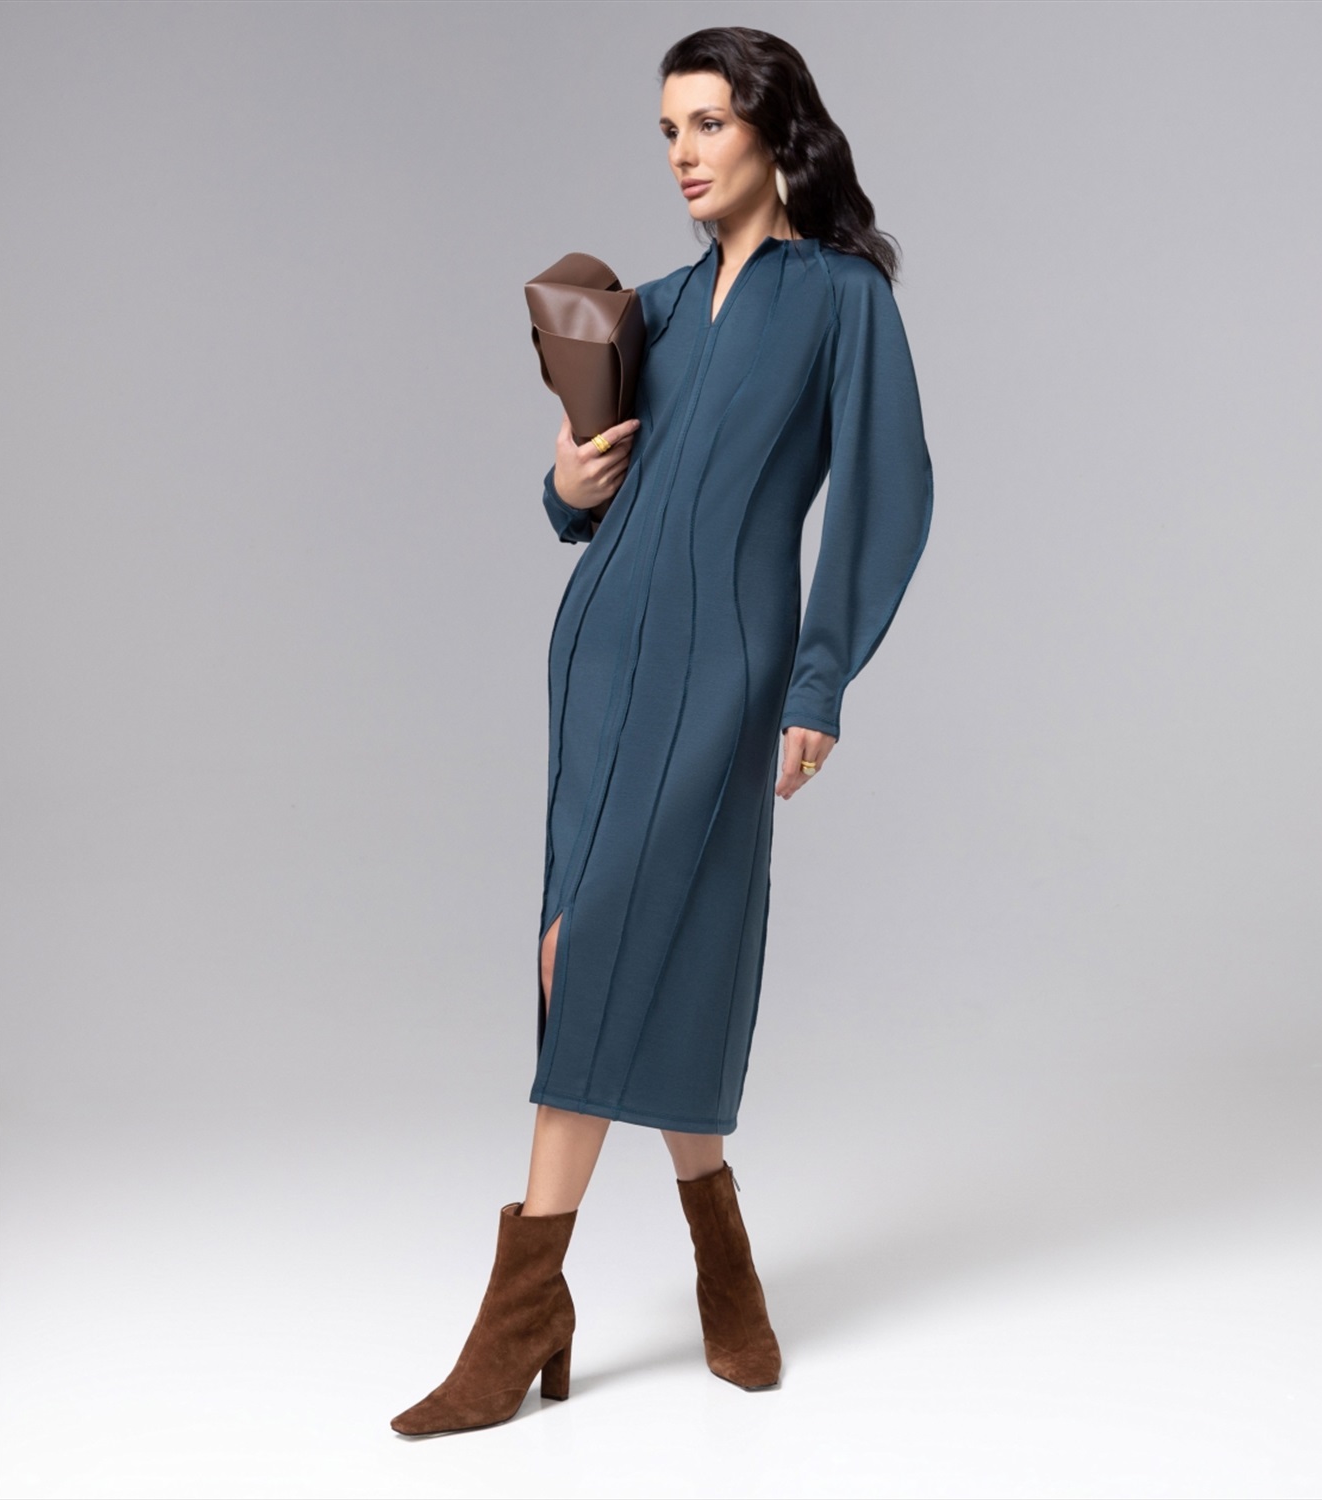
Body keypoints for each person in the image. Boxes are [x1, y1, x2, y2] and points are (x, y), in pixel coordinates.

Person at [390, 25, 934, 1436]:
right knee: (630, 944)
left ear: (774, 130)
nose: (684, 154)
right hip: (598, 653)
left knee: (593, 948)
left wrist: (819, 682)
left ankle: (521, 1308)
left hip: (727, 668)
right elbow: (592, 495)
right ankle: (721, 1253)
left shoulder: (843, 301)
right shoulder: (654, 308)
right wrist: (565, 484)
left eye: (708, 124)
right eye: (668, 131)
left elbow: (886, 496)